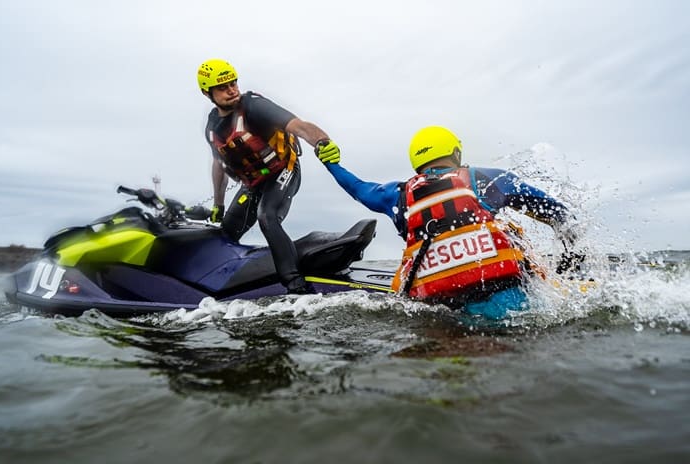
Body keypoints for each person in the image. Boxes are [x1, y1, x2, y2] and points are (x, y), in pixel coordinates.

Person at [315, 125, 583, 319]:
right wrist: (572, 251)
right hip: (515, 305)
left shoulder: (396, 196)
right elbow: (557, 212)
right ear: (455, 153)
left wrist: (332, 164)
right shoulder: (488, 179)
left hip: (439, 311)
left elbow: (358, 189)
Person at [197, 59, 341, 294]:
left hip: (284, 170)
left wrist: (323, 142)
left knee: (267, 216)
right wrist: (218, 204)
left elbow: (299, 126)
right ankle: (225, 283)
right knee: (226, 232)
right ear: (207, 92)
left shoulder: (254, 106)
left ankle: (296, 286)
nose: (232, 90)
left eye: (233, 83)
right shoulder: (212, 128)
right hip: (255, 183)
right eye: (223, 87)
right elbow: (218, 165)